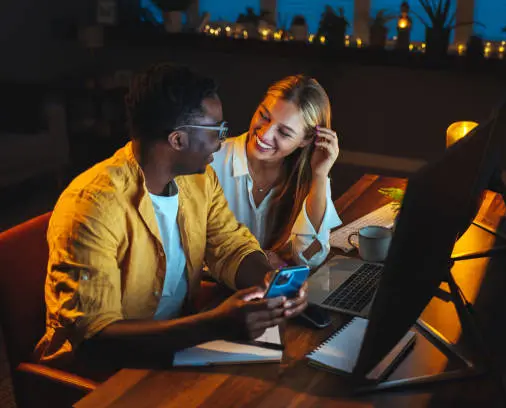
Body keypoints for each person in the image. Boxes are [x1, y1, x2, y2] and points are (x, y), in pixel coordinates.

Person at [34, 64, 307, 367]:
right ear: (178, 140)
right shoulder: (91, 207)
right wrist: (214, 324)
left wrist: (270, 280)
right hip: (104, 373)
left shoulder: (199, 179)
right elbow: (95, 340)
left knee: (285, 368)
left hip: (177, 343)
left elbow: (230, 245)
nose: (221, 141)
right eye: (216, 131)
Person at [210, 75, 341, 269]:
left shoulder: (306, 177)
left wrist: (320, 176)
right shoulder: (212, 160)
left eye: (284, 132)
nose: (265, 133)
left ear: (305, 140)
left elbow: (310, 258)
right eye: (264, 116)